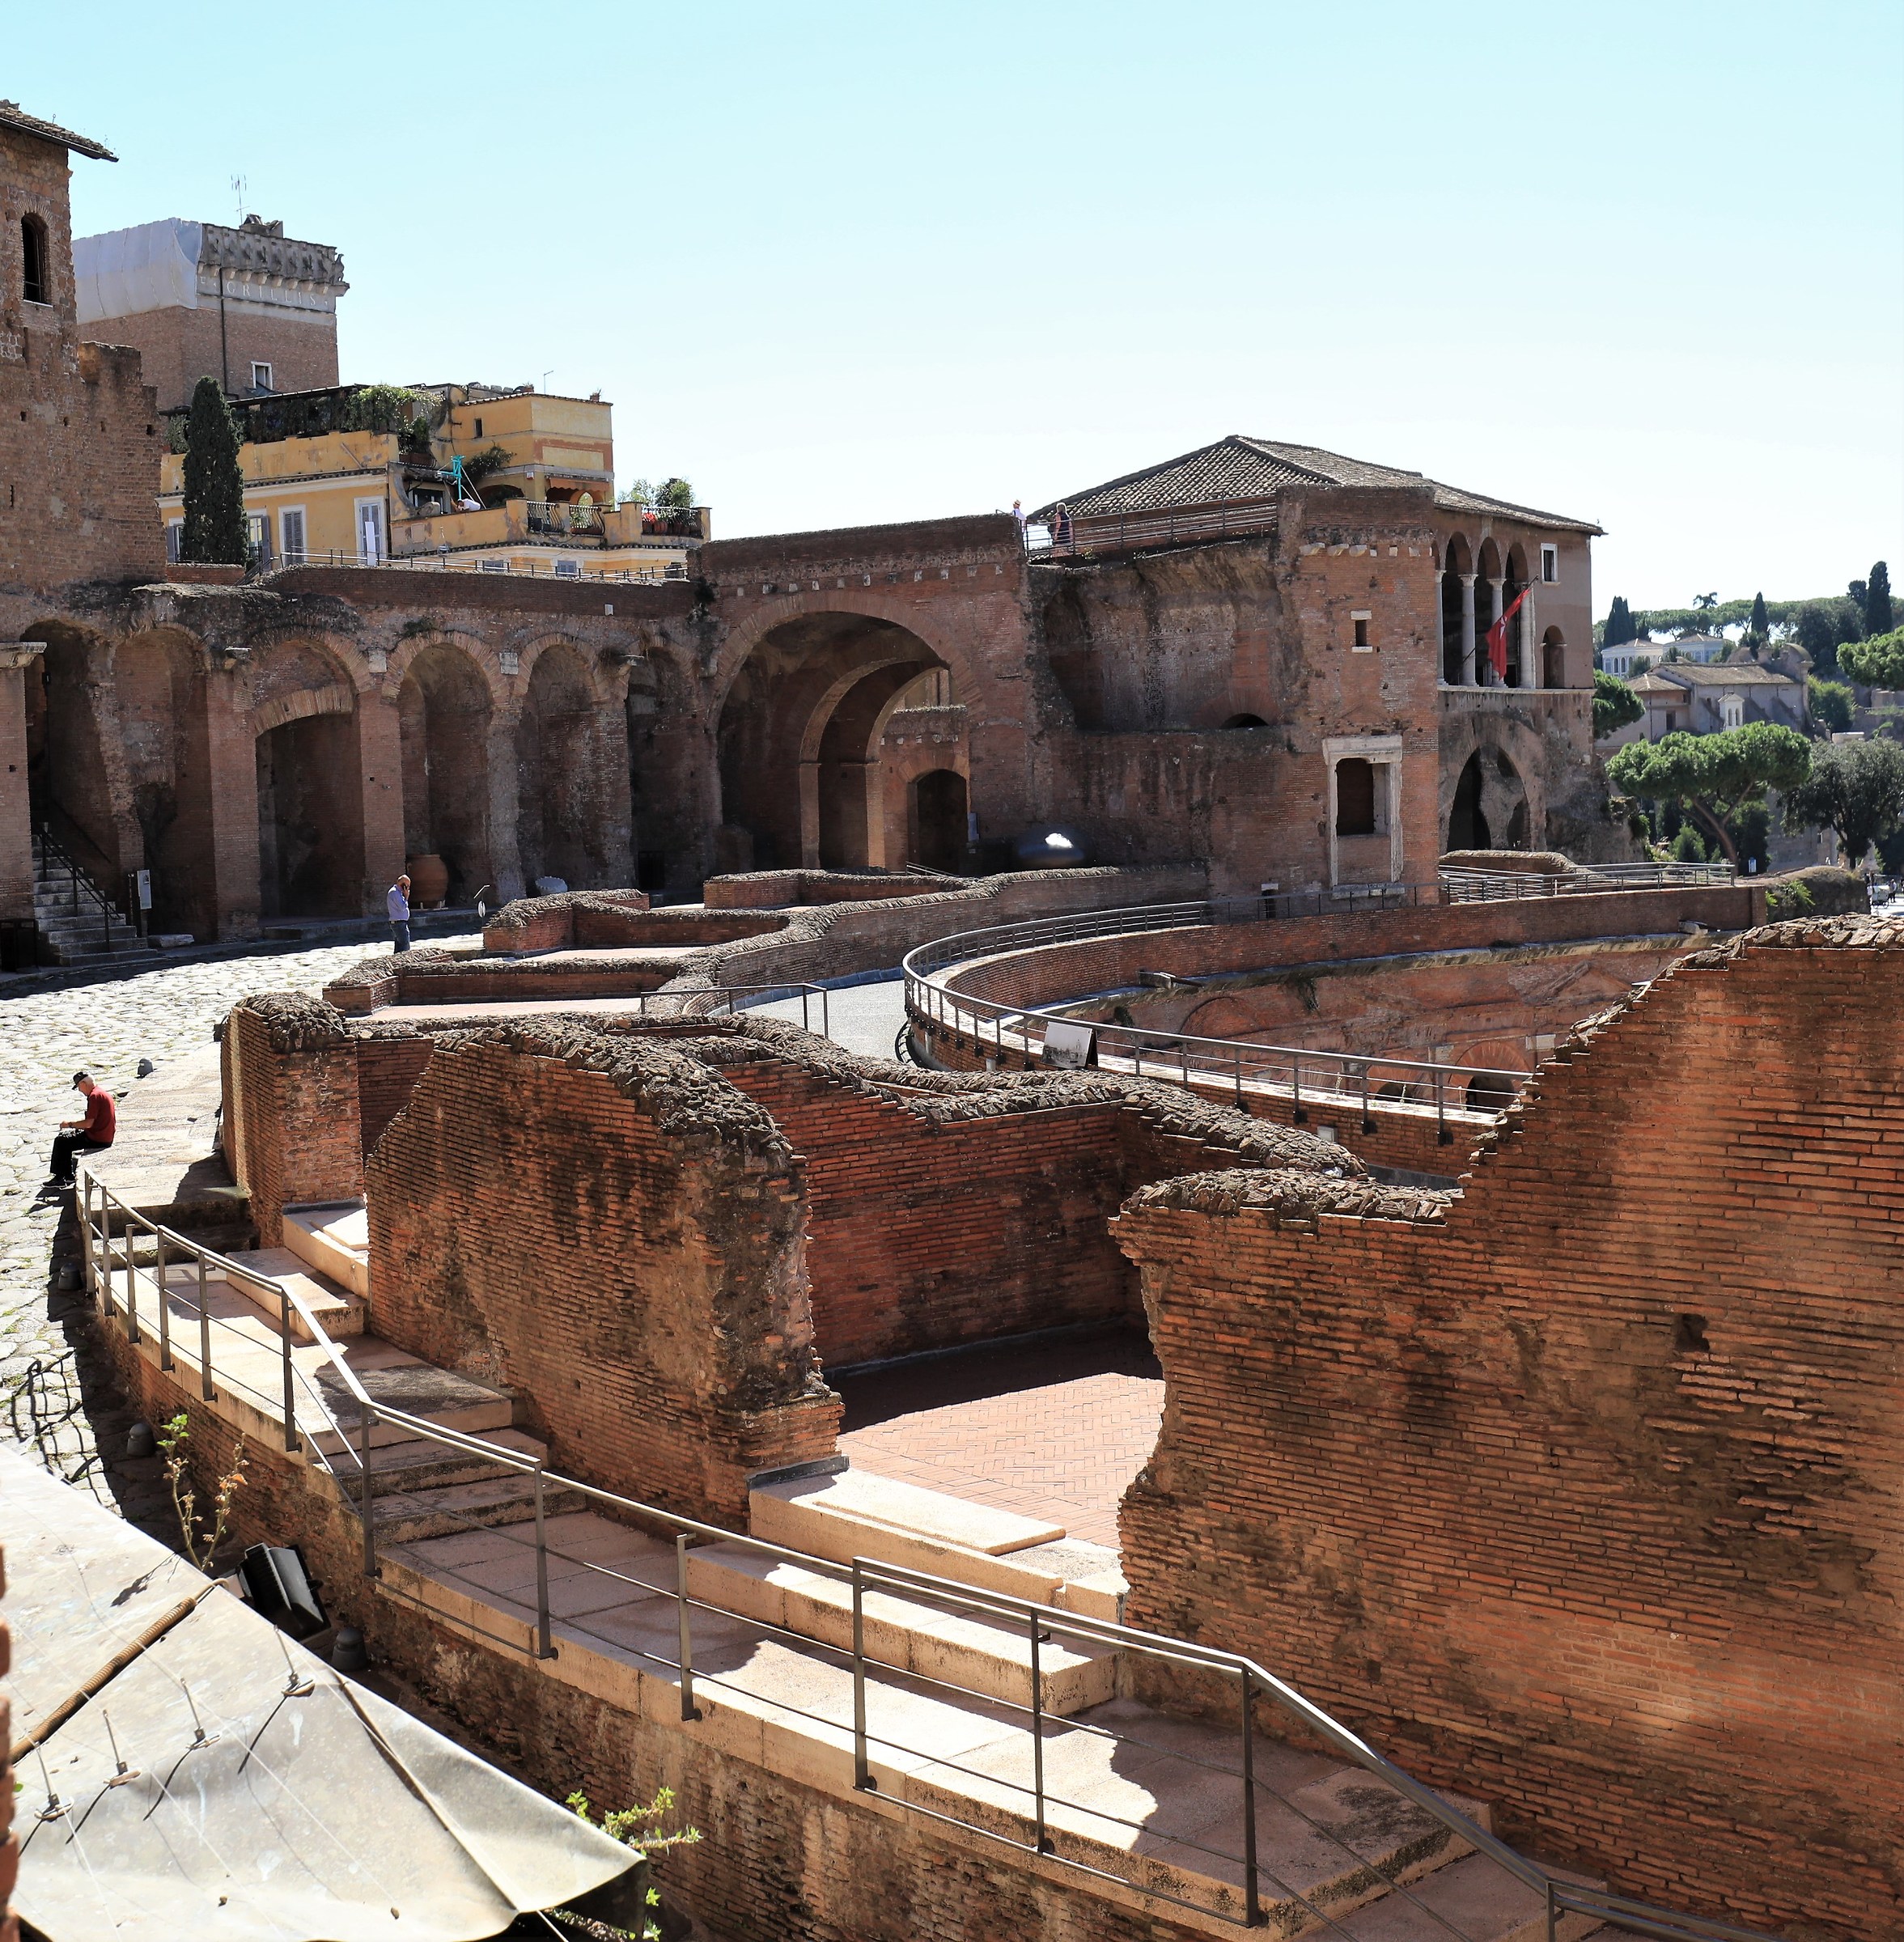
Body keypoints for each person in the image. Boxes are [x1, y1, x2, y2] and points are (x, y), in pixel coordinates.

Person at [48, 1072, 115, 1189]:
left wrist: (69, 1124)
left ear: (83, 1084)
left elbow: (89, 1123)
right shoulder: (100, 1092)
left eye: (79, 1086)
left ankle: (59, 1178)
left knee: (61, 1141)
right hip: (103, 1134)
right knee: (66, 1138)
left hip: (98, 1138)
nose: (80, 1090)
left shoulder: (94, 1096)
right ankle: (68, 1176)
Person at [388, 874, 412, 953]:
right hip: (399, 924)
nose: (408, 888)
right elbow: (402, 907)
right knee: (405, 949)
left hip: (399, 923)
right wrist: (407, 896)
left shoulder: (397, 893)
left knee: (399, 948)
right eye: (407, 885)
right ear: (402, 884)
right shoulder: (395, 893)